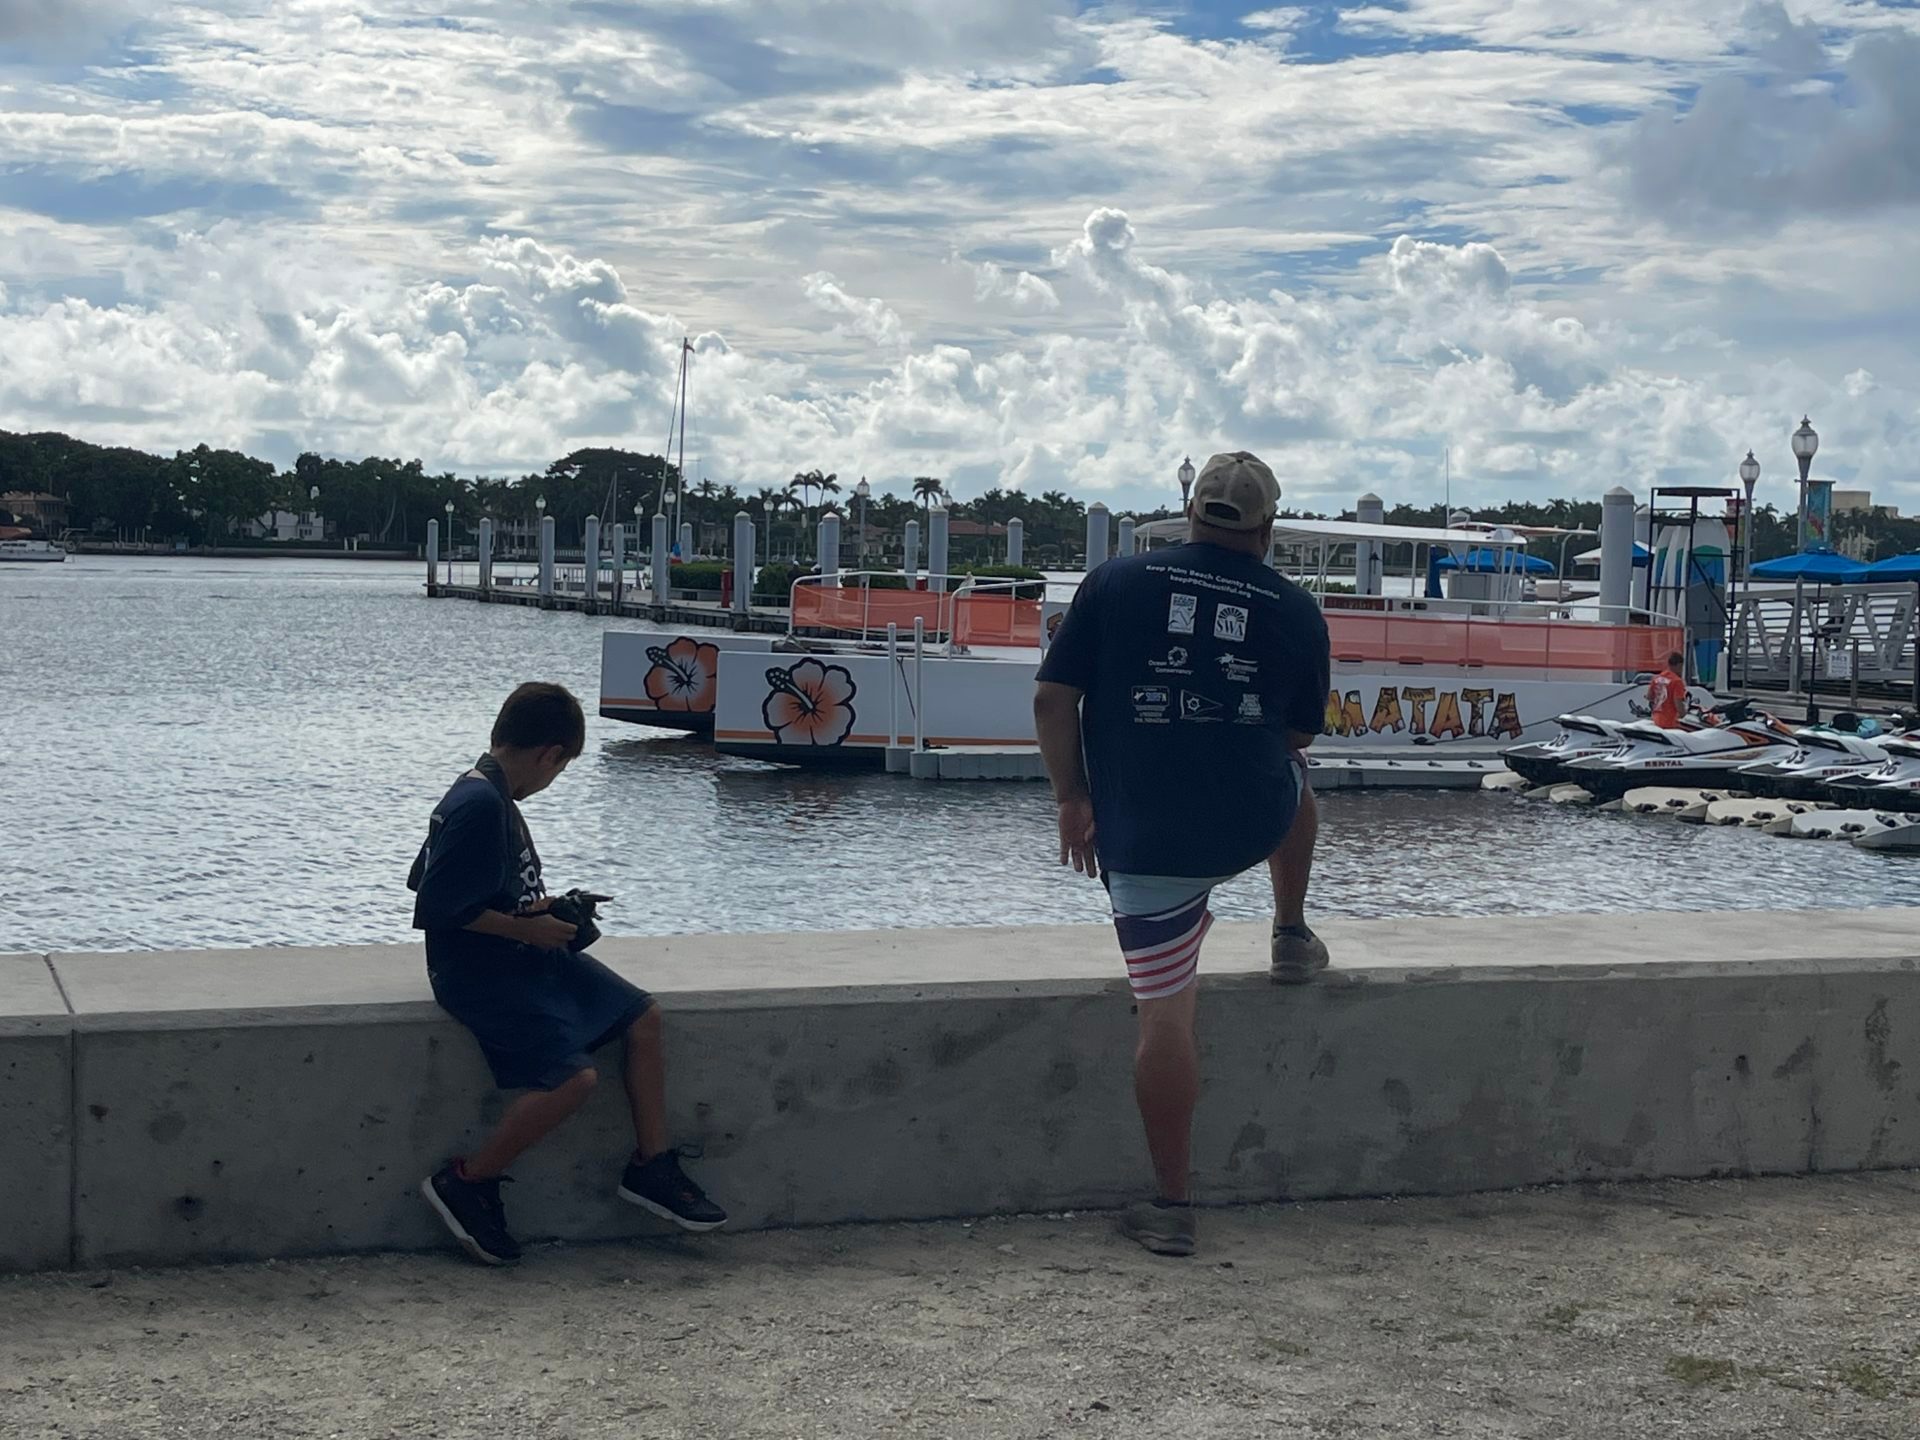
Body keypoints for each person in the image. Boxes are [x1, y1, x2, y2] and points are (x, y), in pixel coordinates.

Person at [1033, 451, 1330, 1259]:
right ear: (1268, 526)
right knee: (1299, 777)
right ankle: (1291, 933)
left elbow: (1052, 698)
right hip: (1248, 822)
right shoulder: (1296, 609)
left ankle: (1171, 1205)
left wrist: (1072, 797)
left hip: (1144, 840)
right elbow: (1297, 734)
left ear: (1189, 510)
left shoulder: (1114, 582)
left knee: (1166, 1015)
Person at [409, 682, 725, 1265]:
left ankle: (651, 1166)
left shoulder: (492, 793)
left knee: (642, 1017)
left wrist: (544, 910)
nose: (552, 781)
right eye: (561, 768)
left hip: (521, 951)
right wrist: (525, 929)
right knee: (573, 1081)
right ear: (551, 753)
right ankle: (467, 1181)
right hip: (477, 972)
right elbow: (433, 905)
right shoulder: (479, 804)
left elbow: (457, 884)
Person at [1649, 651, 1688, 728]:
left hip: (1656, 720)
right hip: (1670, 722)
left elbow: (1649, 696)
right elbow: (1678, 703)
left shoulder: (1656, 678)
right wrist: (1684, 714)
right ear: (1679, 665)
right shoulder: (1677, 681)